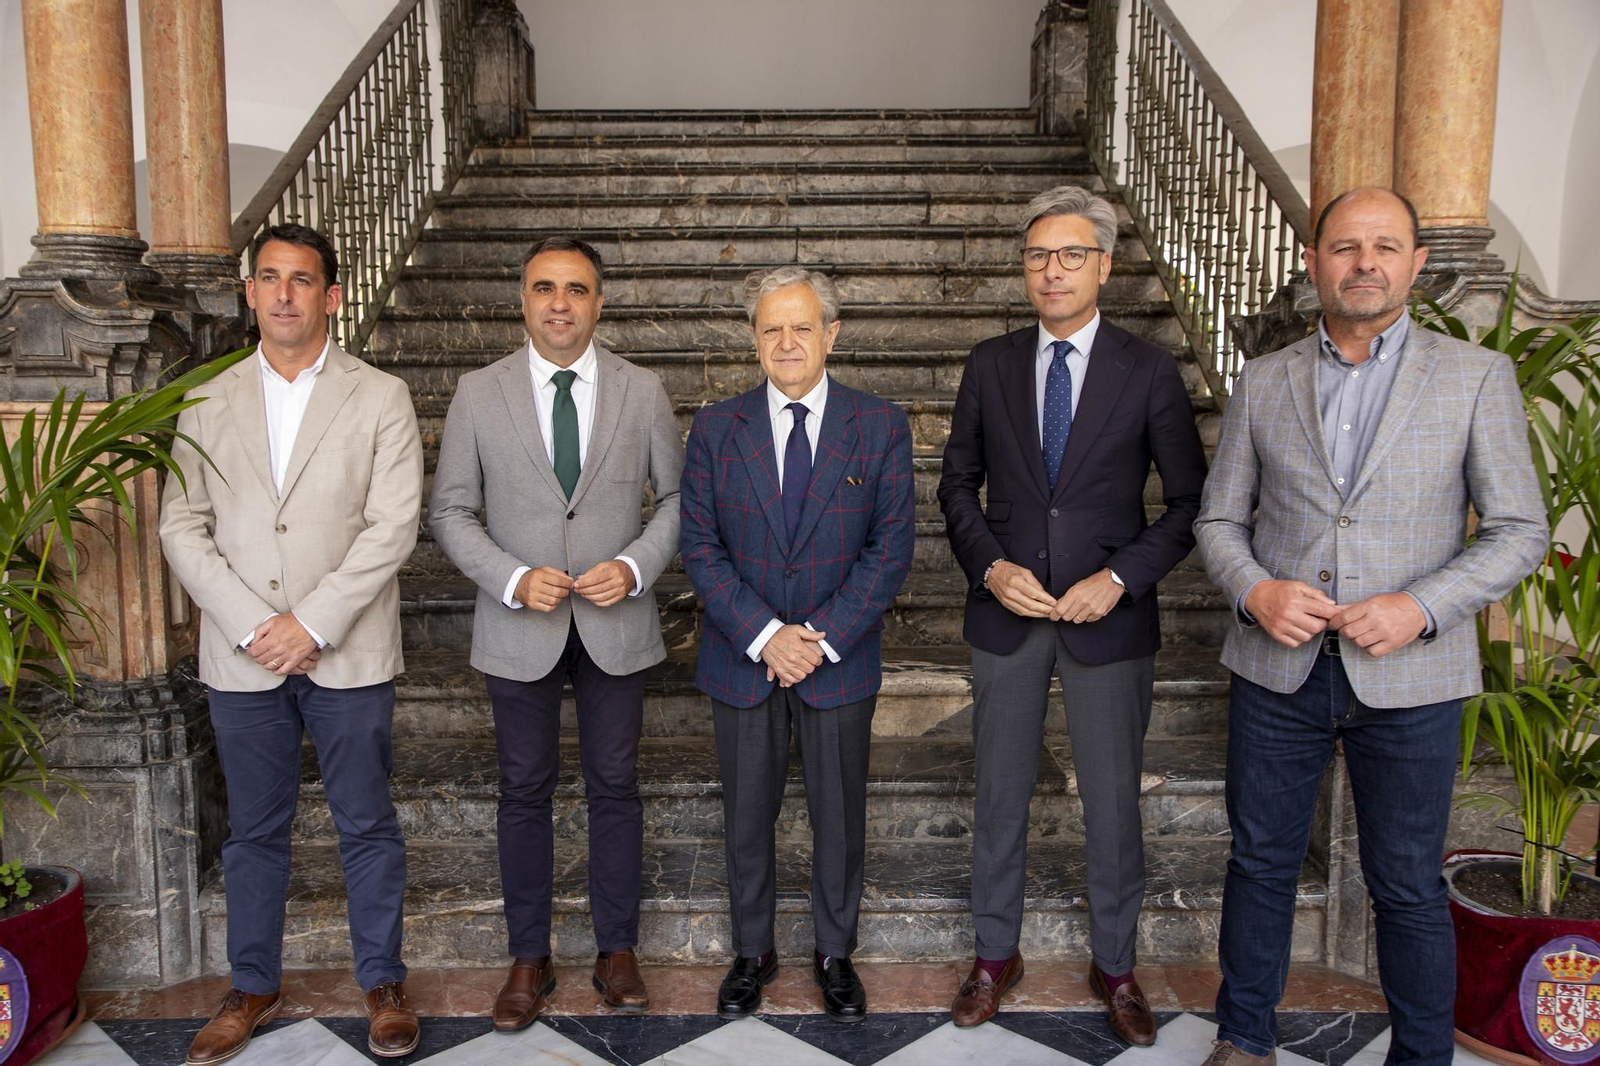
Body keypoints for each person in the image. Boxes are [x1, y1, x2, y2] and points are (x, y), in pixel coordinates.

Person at [1193, 186, 1548, 1066]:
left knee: (1406, 885)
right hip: (1279, 670)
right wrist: (1255, 592)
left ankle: (1421, 1056)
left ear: (1416, 265)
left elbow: (1520, 530)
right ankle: (1244, 1037)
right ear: (1313, 263)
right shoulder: (1265, 378)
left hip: (1413, 675)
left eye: (1385, 247)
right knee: (1261, 864)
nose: (1365, 263)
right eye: (1345, 247)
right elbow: (1217, 523)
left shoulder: (1474, 377)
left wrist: (1421, 607)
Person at [938, 185, 1208, 1042]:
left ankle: (1117, 966)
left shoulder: (1149, 369)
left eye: (1070, 255)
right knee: (999, 795)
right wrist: (990, 566)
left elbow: (1189, 503)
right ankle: (993, 957)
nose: (1051, 271)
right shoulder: (990, 363)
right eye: (1037, 256)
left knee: (1113, 804)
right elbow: (954, 488)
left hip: (1109, 623)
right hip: (1010, 617)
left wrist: (1120, 579)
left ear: (1105, 264)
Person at [160, 224, 424, 1063]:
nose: (283, 293)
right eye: (268, 278)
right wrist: (252, 625)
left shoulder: (380, 397)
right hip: (241, 658)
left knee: (367, 824)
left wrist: (310, 624)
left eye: (302, 280)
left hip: (345, 650)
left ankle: (382, 982)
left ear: (331, 295)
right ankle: (251, 984)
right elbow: (181, 524)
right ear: (250, 292)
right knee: (252, 832)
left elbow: (393, 528)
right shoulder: (205, 398)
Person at [428, 236, 683, 1029]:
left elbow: (676, 501)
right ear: (523, 299)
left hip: (616, 621)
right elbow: (449, 510)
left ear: (600, 302)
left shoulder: (644, 389)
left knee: (615, 787)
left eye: (577, 288)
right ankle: (529, 957)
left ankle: (618, 952)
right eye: (545, 288)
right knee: (522, 791)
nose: (561, 303)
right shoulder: (478, 391)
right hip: (518, 624)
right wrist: (510, 577)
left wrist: (637, 567)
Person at [679, 266, 915, 1023]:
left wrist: (820, 639)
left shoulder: (879, 425)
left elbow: (891, 547)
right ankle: (753, 951)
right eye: (771, 328)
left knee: (838, 815)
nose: (786, 342)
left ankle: (833, 951)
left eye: (802, 327)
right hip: (742, 660)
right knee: (747, 816)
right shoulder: (717, 428)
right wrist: (764, 636)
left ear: (832, 335)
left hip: (835, 661)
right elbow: (700, 546)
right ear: (753, 340)